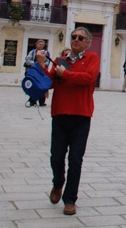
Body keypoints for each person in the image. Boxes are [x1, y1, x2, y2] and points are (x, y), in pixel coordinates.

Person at [36, 26, 100, 216]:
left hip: (81, 116)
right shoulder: (60, 61)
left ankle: (70, 199)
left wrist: (66, 74)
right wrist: (42, 65)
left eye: (81, 38)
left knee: (75, 160)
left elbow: (88, 78)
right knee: (56, 156)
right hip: (60, 114)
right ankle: (58, 183)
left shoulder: (92, 59)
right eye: (74, 37)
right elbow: (50, 82)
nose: (76, 40)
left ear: (88, 43)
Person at [24, 39, 50, 106]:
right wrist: (37, 63)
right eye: (39, 44)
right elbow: (27, 60)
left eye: (42, 45)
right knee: (34, 86)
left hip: (42, 72)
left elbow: (47, 61)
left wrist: (43, 64)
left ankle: (42, 101)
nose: (41, 46)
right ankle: (32, 100)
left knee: (42, 86)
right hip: (34, 72)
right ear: (36, 45)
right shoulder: (32, 52)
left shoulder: (45, 53)